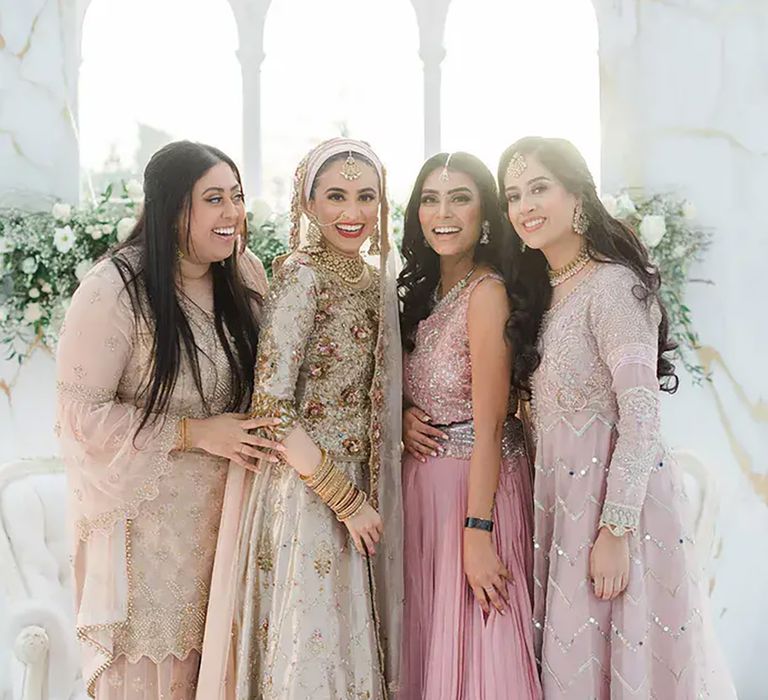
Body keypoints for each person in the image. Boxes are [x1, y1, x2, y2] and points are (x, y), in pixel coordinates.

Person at [498, 136, 737, 698]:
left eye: (539, 188)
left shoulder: (611, 287)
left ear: (577, 196)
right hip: (562, 516)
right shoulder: (549, 296)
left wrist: (614, 530)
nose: (524, 206)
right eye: (513, 195)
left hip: (617, 517)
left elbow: (641, 414)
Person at [56, 141, 282, 699]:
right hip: (149, 548)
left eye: (237, 196)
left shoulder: (245, 275)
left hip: (234, 533)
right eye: (214, 199)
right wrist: (195, 433)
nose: (233, 214)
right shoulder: (115, 289)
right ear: (171, 209)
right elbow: (79, 418)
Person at [196, 138, 403, 699]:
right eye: (335, 196)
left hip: (360, 485)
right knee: (310, 657)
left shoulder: (375, 280)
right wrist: (345, 498)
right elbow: (273, 407)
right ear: (308, 204)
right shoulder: (302, 275)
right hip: (307, 491)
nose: (352, 213)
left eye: (366, 197)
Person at [397, 152, 541, 699]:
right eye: (430, 199)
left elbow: (490, 422)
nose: (443, 212)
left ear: (485, 215)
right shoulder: (423, 295)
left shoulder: (488, 293)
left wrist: (478, 535)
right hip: (424, 496)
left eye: (460, 198)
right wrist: (403, 417)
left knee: (481, 651)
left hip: (475, 495)